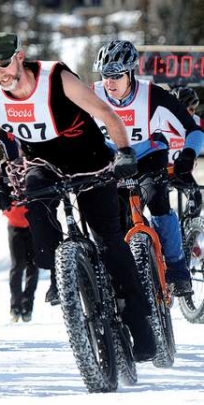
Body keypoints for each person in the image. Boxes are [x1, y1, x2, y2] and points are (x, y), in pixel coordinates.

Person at [0, 32, 155, 361]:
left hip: (90, 160)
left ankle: (139, 322)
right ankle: (67, 271)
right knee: (40, 231)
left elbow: (108, 115)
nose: (0, 72)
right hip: (44, 165)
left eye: (4, 63)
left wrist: (126, 153)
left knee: (109, 242)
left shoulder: (56, 77)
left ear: (20, 55)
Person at [92, 39, 204, 296]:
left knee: (157, 201)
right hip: (112, 159)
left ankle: (177, 269)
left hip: (149, 154)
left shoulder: (153, 96)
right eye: (105, 75)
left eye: (116, 76)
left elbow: (193, 129)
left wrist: (188, 154)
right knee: (113, 217)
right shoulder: (93, 95)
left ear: (130, 73)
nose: (109, 82)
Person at [168, 86, 203, 216]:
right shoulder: (160, 119)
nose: (190, 113)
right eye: (186, 109)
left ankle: (190, 231)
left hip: (181, 171)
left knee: (196, 199)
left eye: (192, 109)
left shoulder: (196, 122)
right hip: (158, 170)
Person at [4, 204, 38, 323]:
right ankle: (15, 307)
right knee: (17, 266)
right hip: (15, 226)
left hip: (33, 225)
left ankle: (27, 307)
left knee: (33, 266)